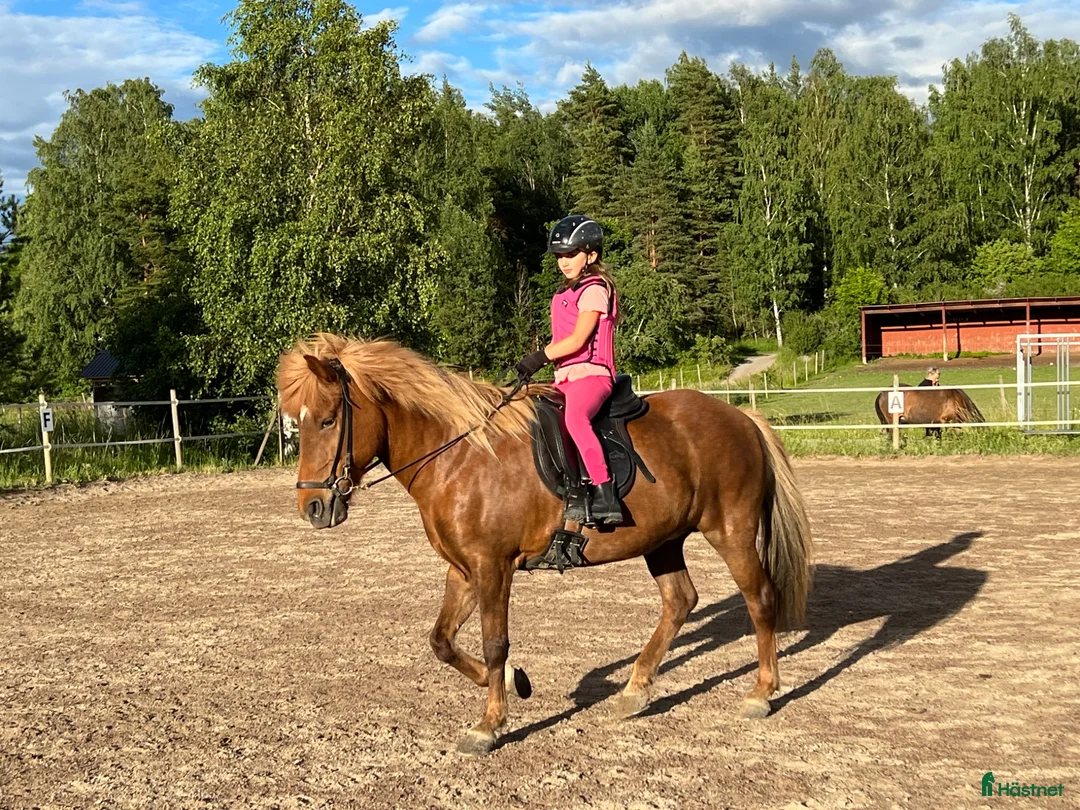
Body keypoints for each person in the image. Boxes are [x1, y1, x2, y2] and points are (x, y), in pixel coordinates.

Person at [514, 215, 623, 525]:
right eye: (560, 255)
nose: (564, 262)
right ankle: (569, 487)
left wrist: (538, 357)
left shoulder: (594, 290)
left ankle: (604, 491)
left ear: (591, 255)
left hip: (593, 375)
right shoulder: (563, 295)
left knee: (575, 417)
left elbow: (578, 340)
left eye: (571, 254)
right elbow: (560, 340)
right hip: (565, 378)